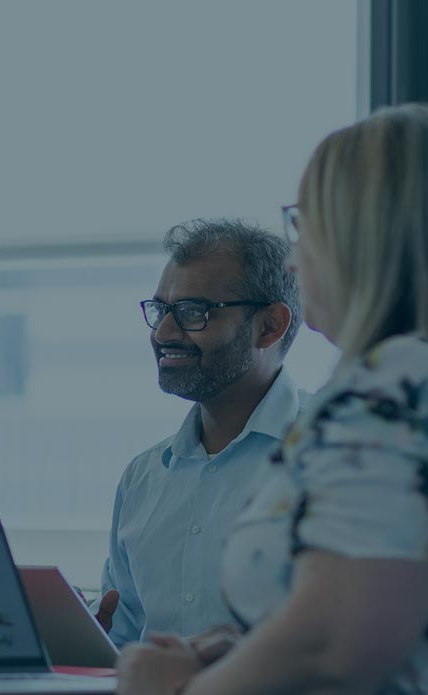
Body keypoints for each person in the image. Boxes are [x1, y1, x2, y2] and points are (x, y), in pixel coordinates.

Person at [117, 104, 428, 694]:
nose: (295, 255)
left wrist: (178, 692)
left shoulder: (400, 388)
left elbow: (331, 646)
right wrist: (254, 644)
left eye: (303, 222)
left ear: (364, 233)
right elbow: (397, 609)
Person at [96, 219, 306, 646]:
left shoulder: (339, 452)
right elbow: (121, 644)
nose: (163, 333)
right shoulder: (142, 478)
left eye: (193, 312)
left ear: (269, 327)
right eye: (160, 310)